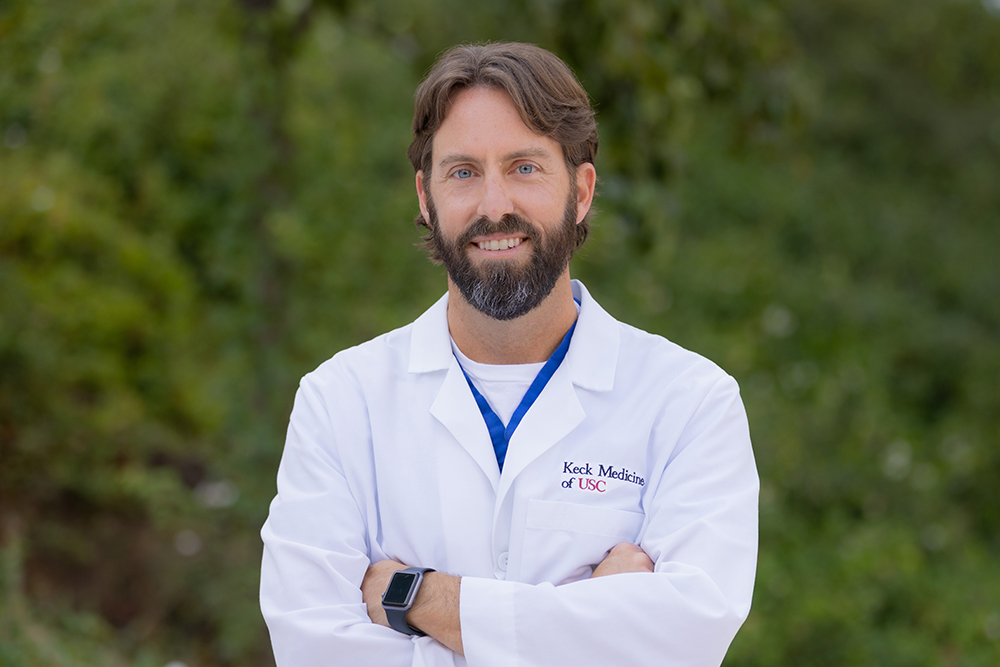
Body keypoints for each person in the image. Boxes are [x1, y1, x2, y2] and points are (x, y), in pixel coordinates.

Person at [260, 42, 758, 667]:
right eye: (463, 172)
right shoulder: (339, 402)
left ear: (581, 191)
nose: (494, 205)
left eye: (524, 167)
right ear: (426, 197)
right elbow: (311, 650)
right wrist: (591, 623)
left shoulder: (690, 403)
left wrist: (416, 597)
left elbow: (684, 640)